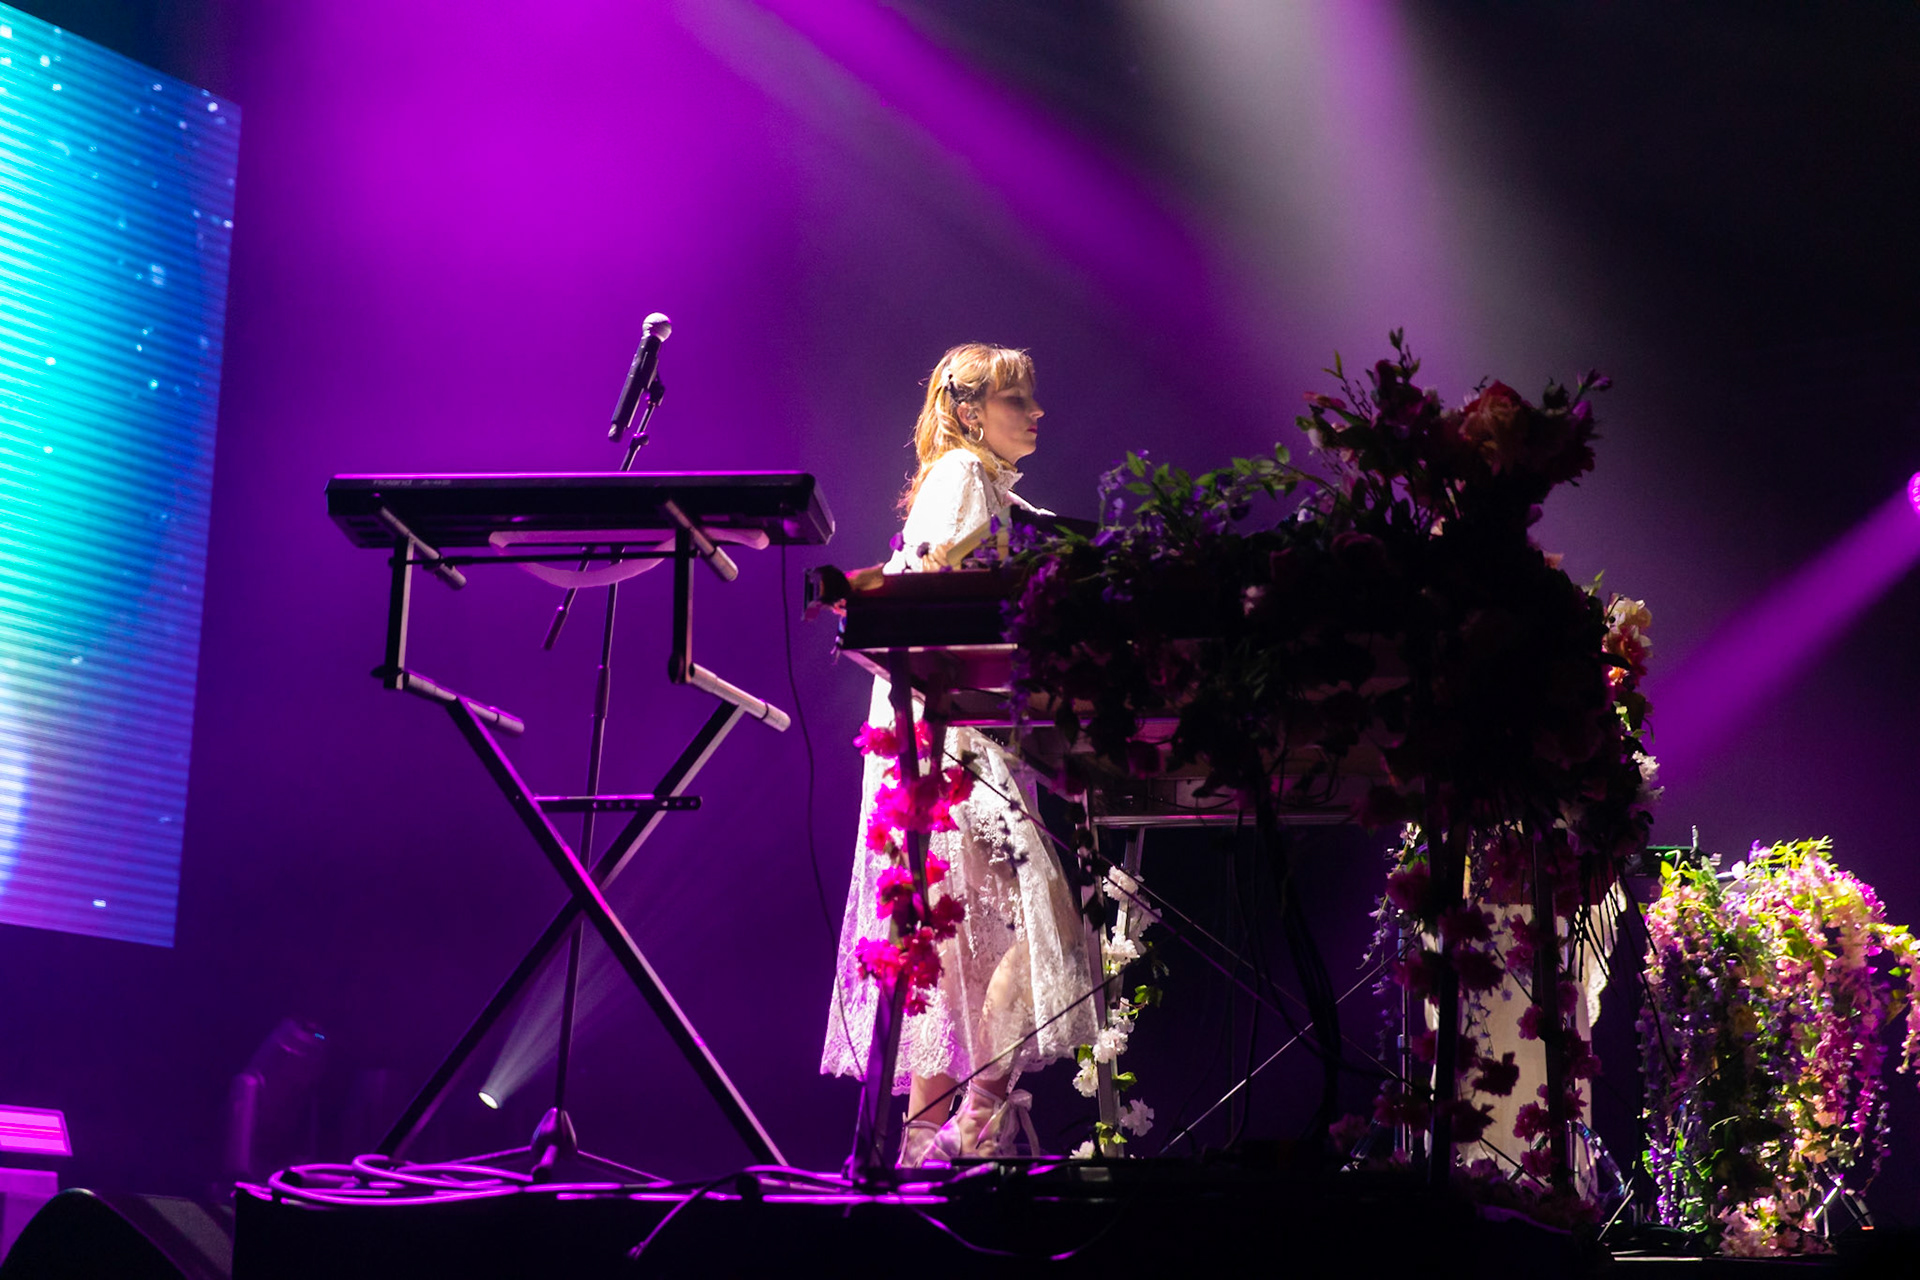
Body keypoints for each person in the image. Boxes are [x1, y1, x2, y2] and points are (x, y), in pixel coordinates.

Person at [820, 343, 1095, 1166]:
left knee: (946, 941)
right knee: (1036, 919)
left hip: (954, 727)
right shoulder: (965, 478)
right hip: (955, 734)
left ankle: (923, 1147)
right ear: (972, 411)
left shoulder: (985, 487)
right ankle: (973, 1118)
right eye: (1020, 400)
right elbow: (934, 588)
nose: (1038, 413)